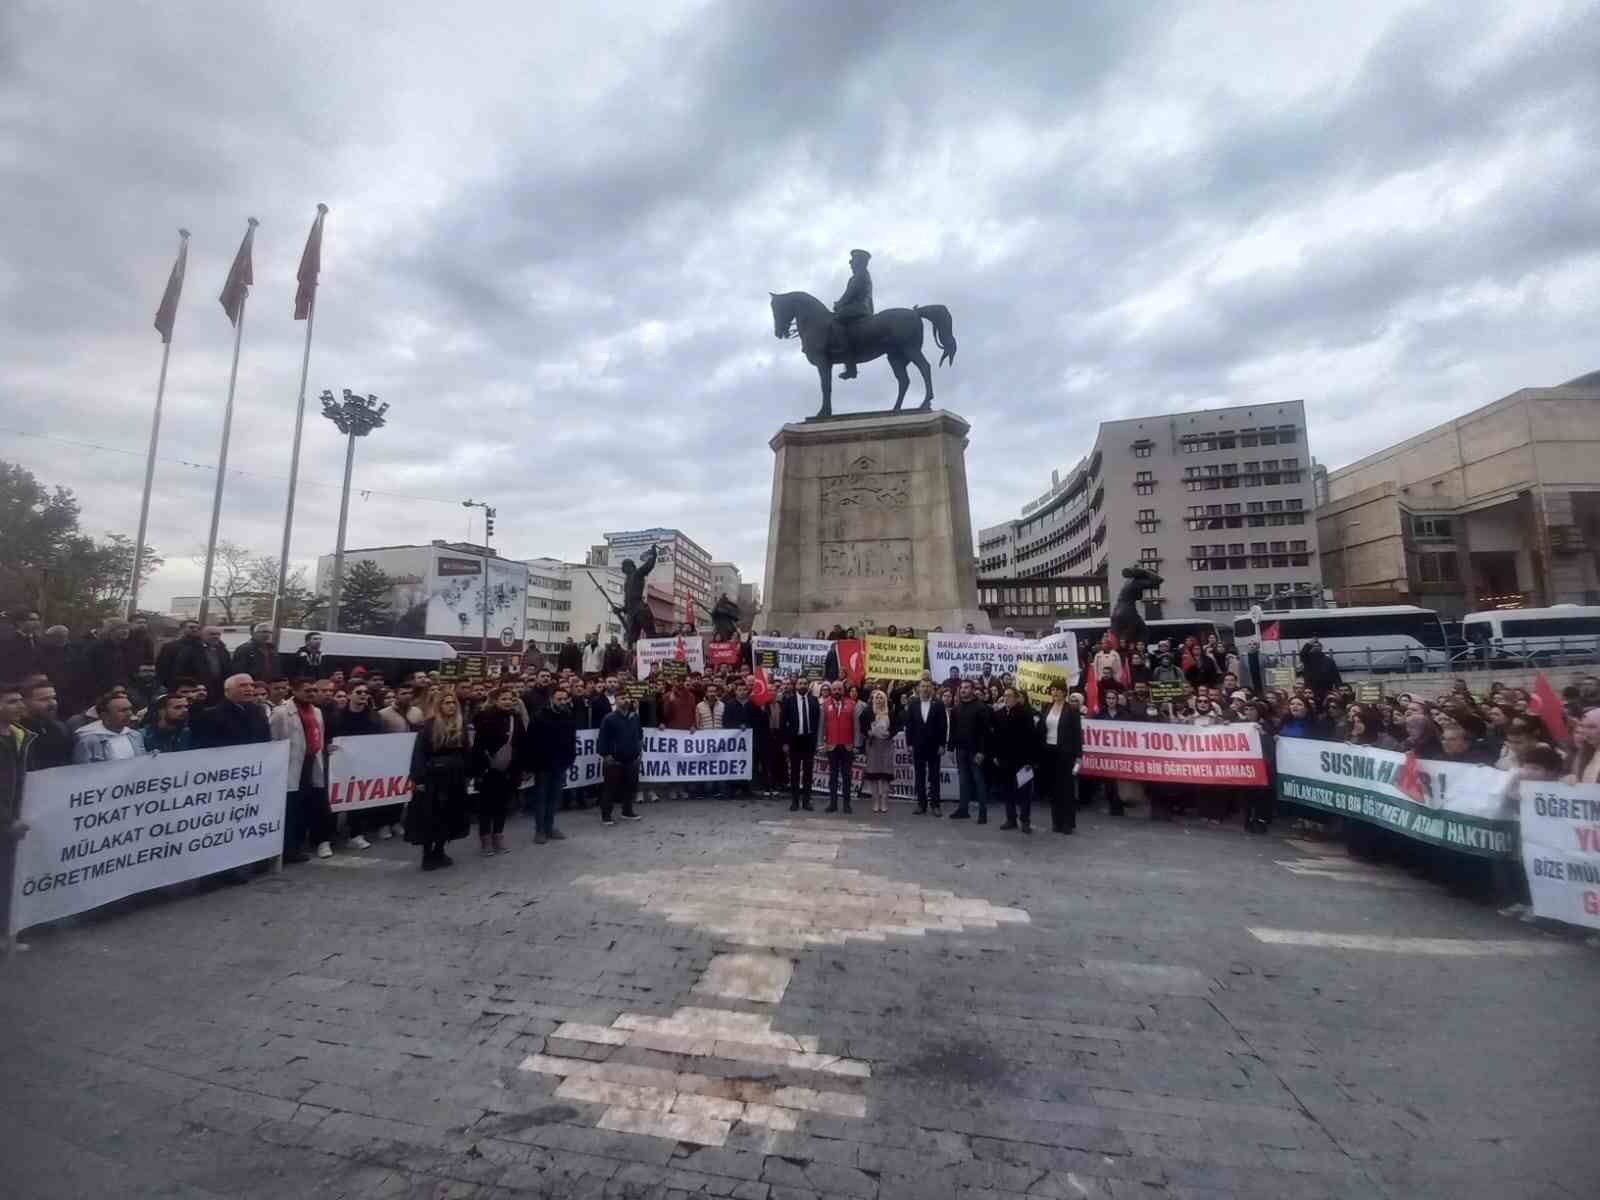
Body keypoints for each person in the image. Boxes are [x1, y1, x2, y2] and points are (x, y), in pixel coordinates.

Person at [271, 677, 336, 863]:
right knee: (291, 808)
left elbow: (319, 737)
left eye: (315, 690)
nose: (312, 694)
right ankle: (288, 849)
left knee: (306, 806)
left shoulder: (317, 711)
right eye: (307, 690)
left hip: (310, 763)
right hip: (290, 765)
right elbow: (274, 740)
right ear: (295, 691)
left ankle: (298, 846)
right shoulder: (282, 713)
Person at [406, 690, 472, 870]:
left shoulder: (460, 725)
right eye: (446, 703)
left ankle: (440, 850)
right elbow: (419, 754)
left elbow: (466, 751)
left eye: (453, 702)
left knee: (449, 814)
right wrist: (418, 779)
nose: (450, 705)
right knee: (430, 815)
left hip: (455, 777)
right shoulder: (428, 726)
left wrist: (468, 773)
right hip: (433, 778)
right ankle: (428, 855)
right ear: (439, 706)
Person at [1, 681, 35, 954]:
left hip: (11, 822)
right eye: (11, 701)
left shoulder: (19, 735)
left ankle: (4, 936)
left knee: (7, 878)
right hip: (5, 822)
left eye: (20, 701)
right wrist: (6, 820)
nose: (20, 706)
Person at [331, 681, 386, 848]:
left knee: (358, 799)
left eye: (365, 692)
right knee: (336, 798)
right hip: (340, 763)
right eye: (359, 692)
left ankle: (356, 834)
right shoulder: (337, 716)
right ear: (349, 695)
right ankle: (330, 835)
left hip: (364, 764)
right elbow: (330, 737)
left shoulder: (374, 717)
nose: (363, 695)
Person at [472, 684, 524, 855]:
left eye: (510, 699)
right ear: (495, 700)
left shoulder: (515, 718)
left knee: (502, 805)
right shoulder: (484, 717)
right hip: (489, 770)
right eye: (504, 699)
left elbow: (521, 743)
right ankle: (485, 840)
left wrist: (519, 768)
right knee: (486, 807)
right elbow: (478, 746)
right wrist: (480, 770)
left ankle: (498, 836)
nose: (508, 702)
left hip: (510, 769)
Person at [526, 684, 578, 844]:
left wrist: (570, 759)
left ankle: (550, 826)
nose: (562, 702)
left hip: (560, 763)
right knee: (541, 797)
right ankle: (540, 830)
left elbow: (571, 740)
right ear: (551, 699)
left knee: (554, 797)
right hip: (543, 764)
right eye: (559, 699)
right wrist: (531, 765)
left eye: (565, 699)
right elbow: (531, 742)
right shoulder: (539, 716)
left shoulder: (568, 715)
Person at [1037, 681, 1082, 834]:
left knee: (1066, 789)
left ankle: (1068, 823)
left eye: (1057, 690)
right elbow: (1042, 729)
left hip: (1066, 753)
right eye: (1052, 690)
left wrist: (1078, 756)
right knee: (1054, 789)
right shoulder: (1047, 707)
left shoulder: (1072, 710)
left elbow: (1077, 734)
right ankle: (1056, 822)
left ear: (1064, 692)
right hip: (1049, 751)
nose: (1054, 692)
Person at [992, 687, 1038, 833]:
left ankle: (1025, 821)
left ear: (1017, 698)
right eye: (1004, 696)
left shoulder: (1026, 714)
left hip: (1022, 760)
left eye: (1010, 696)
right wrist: (995, 755)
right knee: (1008, 791)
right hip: (1005, 760)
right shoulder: (998, 714)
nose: (1006, 698)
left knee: (1024, 792)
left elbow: (1031, 739)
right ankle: (1010, 818)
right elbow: (995, 738)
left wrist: (1030, 761)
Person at [597, 691, 645, 825]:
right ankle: (606, 815)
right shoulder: (609, 718)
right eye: (622, 698)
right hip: (614, 760)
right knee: (610, 789)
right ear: (616, 701)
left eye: (627, 698)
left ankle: (627, 811)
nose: (626, 700)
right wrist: (606, 755)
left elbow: (639, 734)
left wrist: (638, 752)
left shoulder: (634, 717)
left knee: (630, 787)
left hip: (632, 758)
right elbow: (602, 739)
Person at [190, 673, 272, 749]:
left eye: (252, 685)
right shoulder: (210, 715)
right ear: (227, 691)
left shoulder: (259, 711)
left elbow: (266, 740)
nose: (249, 689)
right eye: (243, 685)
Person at [904, 679, 948, 815]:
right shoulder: (913, 703)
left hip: (934, 746)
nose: (925, 689)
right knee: (919, 776)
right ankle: (921, 804)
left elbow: (943, 726)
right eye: (923, 686)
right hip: (918, 746)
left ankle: (935, 805)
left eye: (928, 686)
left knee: (934, 776)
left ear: (932, 689)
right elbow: (909, 726)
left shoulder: (939, 704)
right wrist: (909, 743)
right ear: (918, 688)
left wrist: (942, 744)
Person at [780, 677, 820, 811]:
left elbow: (817, 722)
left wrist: (817, 742)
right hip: (794, 741)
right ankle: (795, 801)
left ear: (808, 686)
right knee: (795, 772)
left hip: (809, 740)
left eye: (805, 683)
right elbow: (783, 724)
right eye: (800, 683)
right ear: (795, 686)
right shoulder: (788, 701)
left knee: (808, 772)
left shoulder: (814, 701)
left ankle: (807, 801)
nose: (802, 685)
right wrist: (785, 742)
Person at [73, 692, 147, 763]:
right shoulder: (88, 742)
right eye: (123, 710)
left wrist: (150, 757)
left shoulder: (135, 735)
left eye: (130, 709)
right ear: (104, 715)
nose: (129, 713)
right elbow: (82, 771)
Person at [20, 680, 73, 770]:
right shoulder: (15, 732)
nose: (52, 703)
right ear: (24, 702)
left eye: (53, 698)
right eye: (44, 699)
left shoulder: (60, 729)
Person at [821, 681, 856, 814]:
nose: (836, 691)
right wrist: (820, 743)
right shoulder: (825, 704)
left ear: (843, 690)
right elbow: (822, 725)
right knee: (833, 776)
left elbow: (856, 726)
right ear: (831, 690)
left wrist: (856, 744)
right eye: (834, 689)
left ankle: (847, 804)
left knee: (847, 776)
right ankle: (833, 803)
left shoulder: (851, 704)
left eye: (839, 689)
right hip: (832, 745)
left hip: (847, 746)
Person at [861, 689, 896, 814]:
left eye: (882, 698)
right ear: (873, 699)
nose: (879, 700)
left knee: (885, 776)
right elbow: (862, 726)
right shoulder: (868, 712)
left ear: (885, 700)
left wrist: (890, 733)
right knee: (874, 776)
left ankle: (884, 802)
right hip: (873, 745)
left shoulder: (890, 713)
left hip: (886, 746)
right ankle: (875, 802)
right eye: (877, 698)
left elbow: (896, 726)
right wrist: (868, 732)